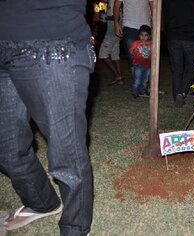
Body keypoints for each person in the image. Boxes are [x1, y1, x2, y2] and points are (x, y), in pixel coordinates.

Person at [0, 1, 94, 235]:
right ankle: (42, 202)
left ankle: (75, 227)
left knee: (67, 154)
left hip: (54, 42)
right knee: (7, 147)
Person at [163, 0, 194, 107]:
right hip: (191, 37)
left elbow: (165, 18)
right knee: (191, 68)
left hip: (173, 37)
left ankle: (177, 96)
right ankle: (182, 92)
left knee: (176, 69)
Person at [113, 0, 153, 74]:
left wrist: (154, 23)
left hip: (146, 26)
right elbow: (117, 4)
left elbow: (152, 5)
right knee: (132, 57)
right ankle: (137, 82)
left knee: (146, 56)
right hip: (129, 26)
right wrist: (116, 23)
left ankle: (144, 82)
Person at [98, 0, 124, 85]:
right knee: (115, 54)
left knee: (102, 54)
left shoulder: (113, 1)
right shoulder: (109, 2)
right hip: (117, 31)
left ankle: (117, 75)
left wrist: (106, 17)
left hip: (112, 32)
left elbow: (117, 16)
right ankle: (119, 78)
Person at [130, 25, 152, 98]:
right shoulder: (136, 43)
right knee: (137, 79)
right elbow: (131, 51)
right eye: (141, 35)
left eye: (146, 35)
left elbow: (153, 53)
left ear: (149, 36)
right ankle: (135, 92)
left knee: (145, 80)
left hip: (147, 65)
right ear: (139, 35)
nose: (143, 37)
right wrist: (134, 51)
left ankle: (142, 92)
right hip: (138, 64)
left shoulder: (151, 44)